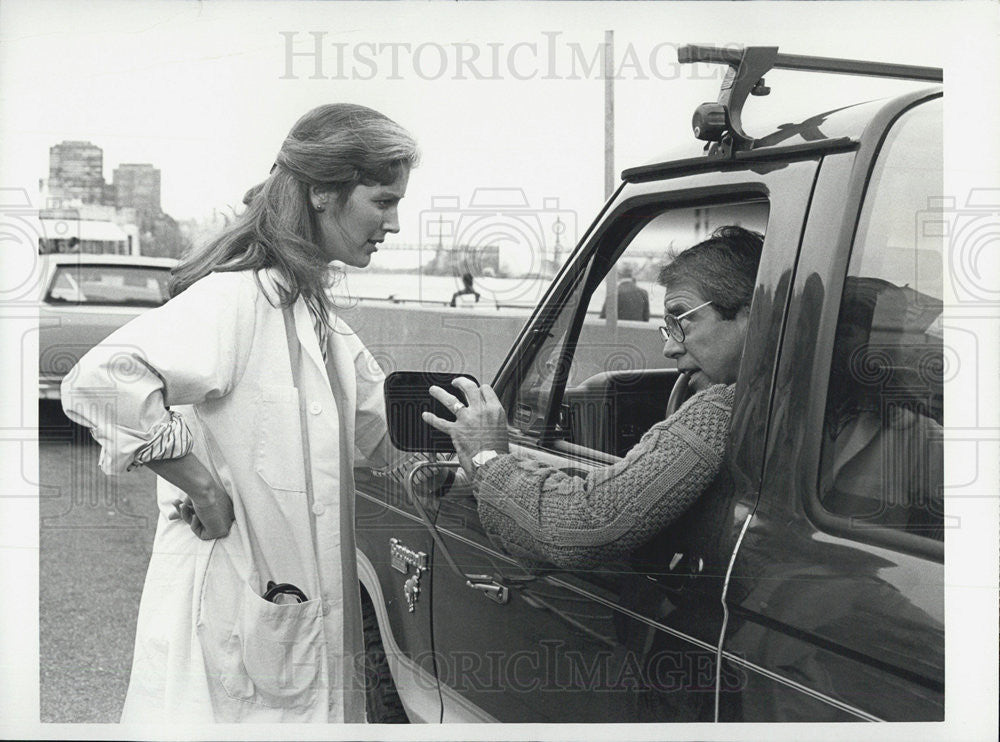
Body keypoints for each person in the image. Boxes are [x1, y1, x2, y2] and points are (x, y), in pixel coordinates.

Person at [61, 103, 420, 723]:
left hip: (287, 621)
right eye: (384, 202)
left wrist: (487, 445)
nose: (393, 223)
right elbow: (103, 379)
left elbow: (384, 431)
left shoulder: (316, 318)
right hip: (234, 607)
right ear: (323, 194)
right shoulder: (239, 297)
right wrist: (202, 488)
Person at [422, 226, 762, 568]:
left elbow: (584, 525)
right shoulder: (773, 402)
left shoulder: (720, 408)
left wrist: (486, 458)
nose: (669, 347)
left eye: (682, 321)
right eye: (667, 327)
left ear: (754, 316)